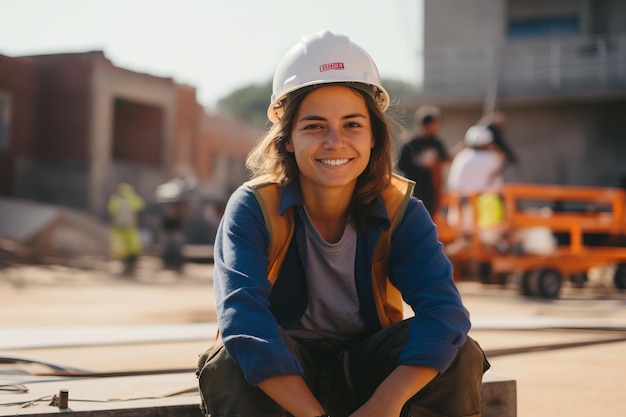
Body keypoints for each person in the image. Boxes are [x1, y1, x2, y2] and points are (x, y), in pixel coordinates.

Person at [196, 30, 489, 417]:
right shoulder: (253, 208)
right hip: (285, 379)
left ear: (373, 138)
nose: (335, 141)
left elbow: (444, 313)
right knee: (228, 361)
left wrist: (385, 405)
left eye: (352, 125)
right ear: (288, 140)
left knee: (458, 352)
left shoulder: (401, 212)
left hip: (369, 372)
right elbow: (244, 322)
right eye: (314, 126)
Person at [446, 125, 506, 247]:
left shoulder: (461, 157)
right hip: (485, 218)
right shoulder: (492, 159)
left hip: (459, 215)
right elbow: (498, 188)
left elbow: (452, 186)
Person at [397, 105, 449, 217]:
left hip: (431, 187)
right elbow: (400, 166)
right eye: (435, 123)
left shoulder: (436, 142)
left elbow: (444, 159)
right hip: (414, 188)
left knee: (430, 215)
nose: (438, 127)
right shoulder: (411, 143)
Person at [107, 182, 146, 274]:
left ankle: (130, 258)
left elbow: (112, 211)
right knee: (127, 243)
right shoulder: (127, 198)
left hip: (126, 225)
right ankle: (127, 259)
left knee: (128, 243)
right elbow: (113, 210)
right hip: (125, 225)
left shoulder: (118, 198)